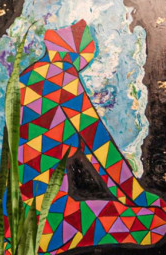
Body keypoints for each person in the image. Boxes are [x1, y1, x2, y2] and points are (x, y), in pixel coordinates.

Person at [18, 20, 166, 253]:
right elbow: (100, 149)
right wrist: (140, 199)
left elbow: (94, 155)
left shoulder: (26, 78)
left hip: (15, 222)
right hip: (51, 223)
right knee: (156, 224)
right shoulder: (60, 75)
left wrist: (132, 200)